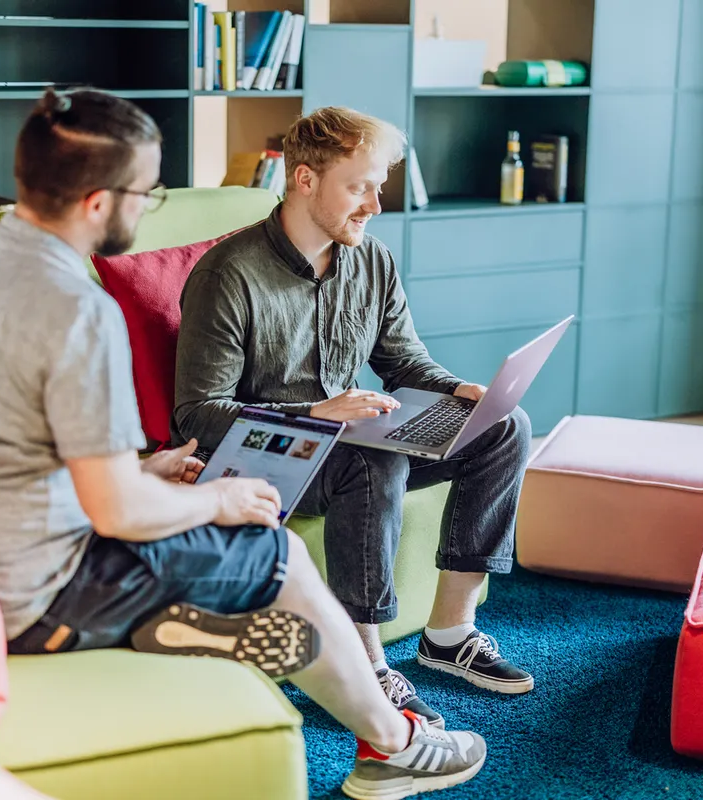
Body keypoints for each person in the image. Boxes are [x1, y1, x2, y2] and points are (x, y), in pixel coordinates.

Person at [0, 87, 486, 799]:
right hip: (37, 593)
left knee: (208, 507)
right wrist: (221, 497)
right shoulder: (75, 309)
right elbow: (119, 515)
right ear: (99, 202)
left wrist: (144, 465)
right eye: (147, 192)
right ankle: (393, 745)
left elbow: (7, 444)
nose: (149, 208)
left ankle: (179, 620)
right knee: (277, 549)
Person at [173, 106, 535, 728]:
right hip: (269, 458)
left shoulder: (373, 260)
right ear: (305, 180)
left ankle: (449, 636)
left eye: (378, 185)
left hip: (354, 435)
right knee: (372, 460)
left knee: (505, 427)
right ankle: (366, 665)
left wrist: (459, 392)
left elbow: (403, 360)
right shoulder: (227, 275)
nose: (373, 203)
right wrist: (313, 411)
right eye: (358, 186)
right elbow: (197, 413)